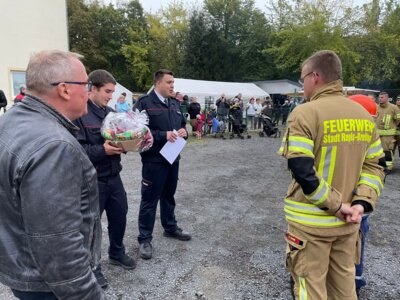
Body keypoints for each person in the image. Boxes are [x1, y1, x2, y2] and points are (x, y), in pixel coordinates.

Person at [278, 50, 384, 300]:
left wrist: (337, 206)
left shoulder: (304, 113)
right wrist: (360, 203)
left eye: (302, 77)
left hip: (310, 226)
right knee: (345, 290)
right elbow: (375, 167)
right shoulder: (364, 117)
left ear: (315, 76)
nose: (302, 84)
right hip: (348, 227)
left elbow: (303, 171)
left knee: (310, 291)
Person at [0, 50, 105, 299]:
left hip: (21, 266)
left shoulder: (11, 121)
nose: (88, 92)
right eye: (86, 84)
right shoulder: (54, 145)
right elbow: (58, 244)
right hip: (47, 284)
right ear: (65, 90)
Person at [74, 70, 136, 288]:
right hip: (93, 180)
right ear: (93, 88)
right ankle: (92, 267)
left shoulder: (111, 113)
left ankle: (116, 253)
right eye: (107, 91)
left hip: (113, 175)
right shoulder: (80, 115)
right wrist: (103, 151)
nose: (111, 96)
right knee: (92, 225)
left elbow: (118, 138)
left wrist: (128, 144)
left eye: (112, 91)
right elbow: (77, 151)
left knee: (120, 214)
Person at [134, 69, 191, 260]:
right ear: (158, 83)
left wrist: (184, 132)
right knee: (149, 200)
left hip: (173, 158)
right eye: (169, 83)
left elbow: (183, 125)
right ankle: (144, 239)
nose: (172, 86)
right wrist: (162, 135)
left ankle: (170, 227)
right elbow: (138, 131)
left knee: (169, 195)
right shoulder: (144, 103)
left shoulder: (175, 103)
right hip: (154, 161)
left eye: (173, 83)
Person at [375, 91, 400, 172]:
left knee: (388, 151)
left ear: (387, 98)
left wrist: (392, 127)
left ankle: (388, 167)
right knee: (378, 151)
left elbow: (398, 120)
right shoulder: (376, 107)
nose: (380, 99)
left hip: (388, 135)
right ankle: (380, 166)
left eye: (382, 97)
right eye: (379, 97)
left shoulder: (394, 108)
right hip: (378, 133)